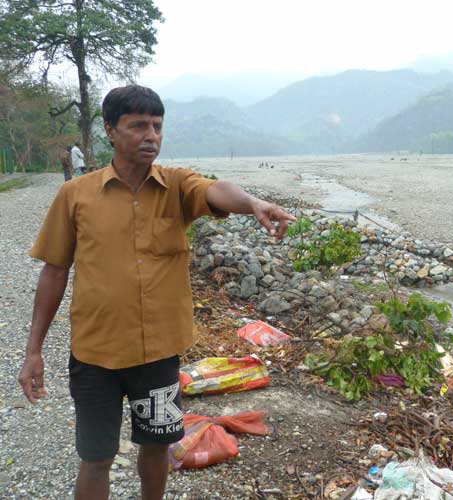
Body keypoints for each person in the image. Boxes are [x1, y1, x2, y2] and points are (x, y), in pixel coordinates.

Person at [17, 84, 296, 500]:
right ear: (110, 130)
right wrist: (33, 350)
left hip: (158, 358)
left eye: (157, 126)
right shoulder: (75, 195)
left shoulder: (177, 186)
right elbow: (54, 271)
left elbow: (215, 190)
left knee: (155, 446)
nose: (151, 136)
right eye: (138, 126)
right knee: (96, 457)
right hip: (95, 356)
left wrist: (252, 203)